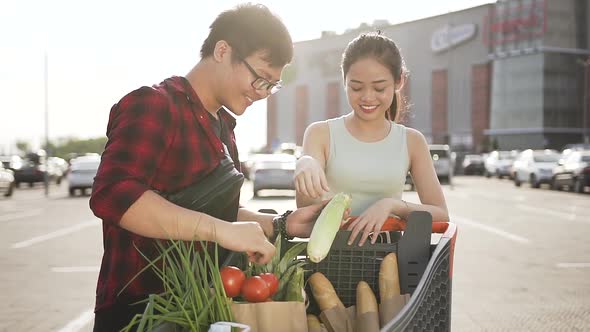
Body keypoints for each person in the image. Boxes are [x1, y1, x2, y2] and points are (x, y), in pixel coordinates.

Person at [89, 4, 328, 331]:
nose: (262, 94)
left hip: (200, 305)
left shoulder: (223, 126)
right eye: (260, 78)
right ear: (222, 50)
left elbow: (218, 211)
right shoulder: (154, 105)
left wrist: (282, 224)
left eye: (271, 85)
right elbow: (114, 195)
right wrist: (224, 232)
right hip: (140, 312)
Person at [294, 32, 449, 247]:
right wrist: (305, 163)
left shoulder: (412, 141)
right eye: (356, 87)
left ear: (399, 81)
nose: (367, 97)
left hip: (390, 259)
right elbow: (305, 211)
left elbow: (441, 215)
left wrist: (392, 205)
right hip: (329, 256)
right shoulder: (320, 133)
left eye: (379, 88)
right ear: (344, 81)